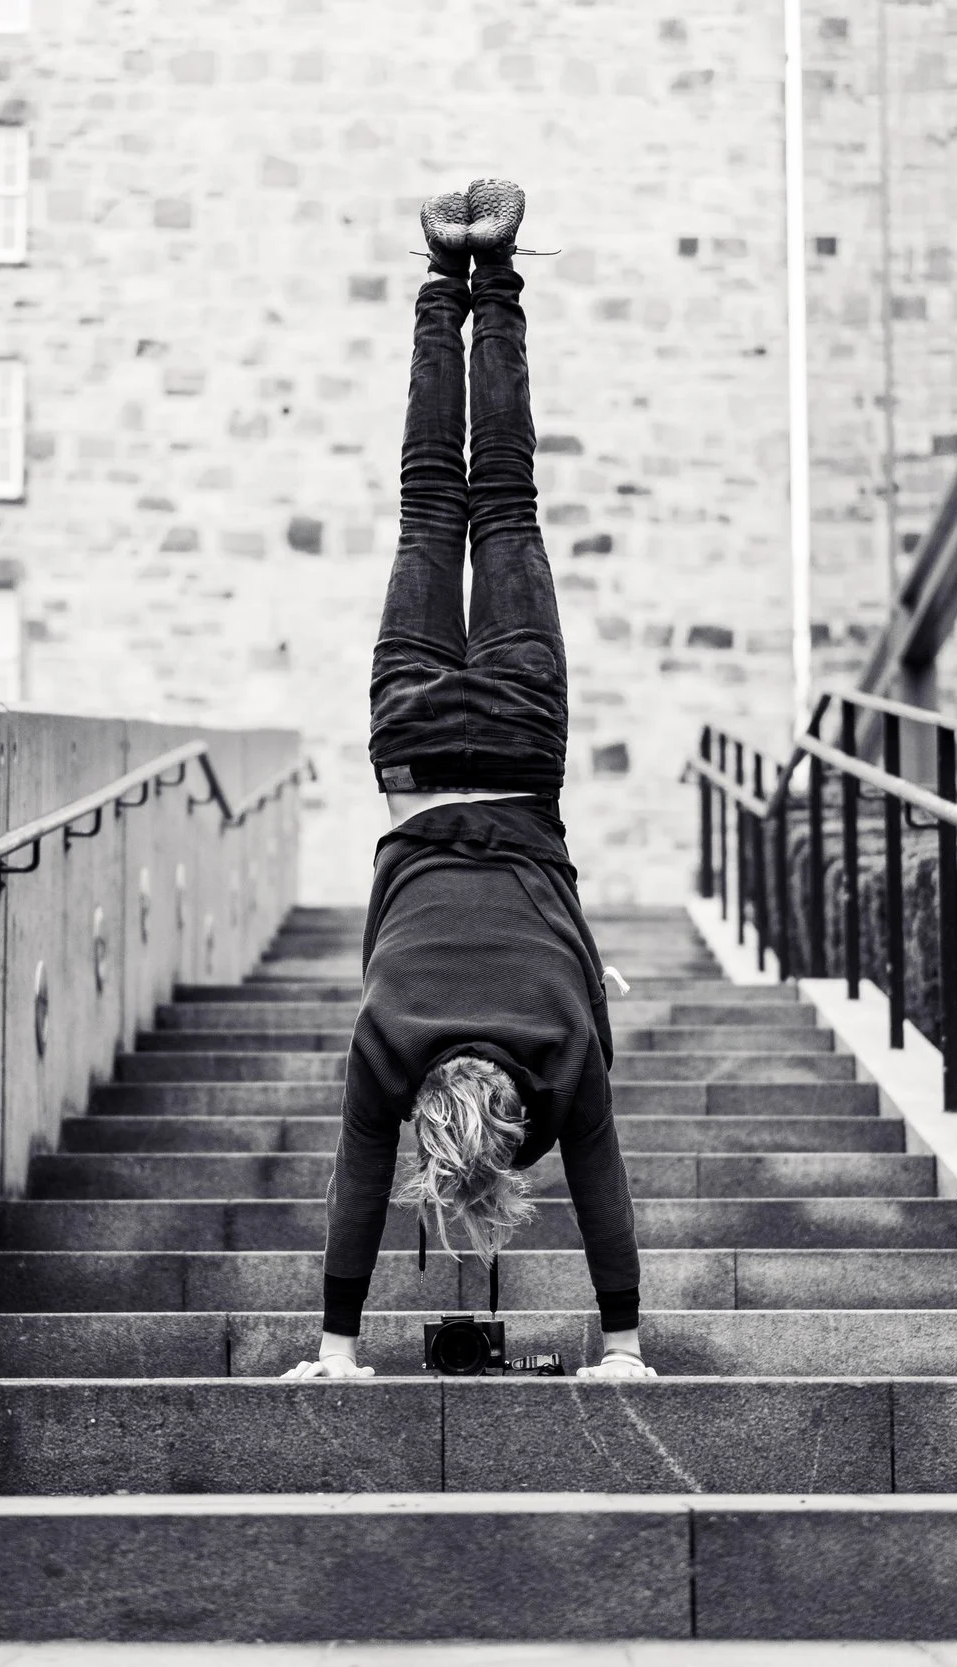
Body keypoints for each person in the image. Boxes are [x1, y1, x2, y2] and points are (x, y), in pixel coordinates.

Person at [283, 180, 653, 1382]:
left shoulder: (561, 1046)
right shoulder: (387, 1043)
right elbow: (353, 1187)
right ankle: (441, 280)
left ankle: (497, 280)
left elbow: (601, 1187)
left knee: (505, 496)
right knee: (427, 503)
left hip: (524, 750)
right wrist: (335, 1347)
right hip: (411, 749)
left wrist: (624, 1345)